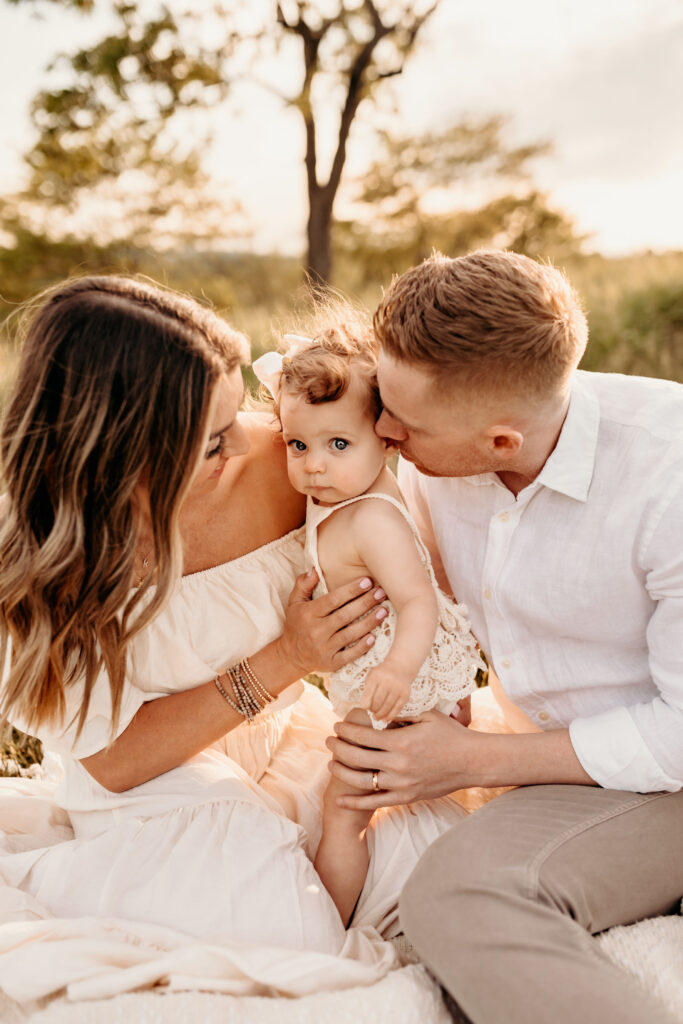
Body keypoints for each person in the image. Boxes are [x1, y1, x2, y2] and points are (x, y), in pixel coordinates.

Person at [0, 274, 472, 1002]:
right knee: (289, 933)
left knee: (444, 855)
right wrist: (287, 658)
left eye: (236, 418)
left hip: (287, 741)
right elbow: (117, 763)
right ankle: (104, 879)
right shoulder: (39, 557)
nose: (249, 442)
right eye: (212, 438)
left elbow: (399, 540)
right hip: (153, 785)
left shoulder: (293, 465)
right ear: (127, 449)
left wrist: (426, 678)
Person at [326, 250, 683, 1024]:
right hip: (572, 766)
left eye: (402, 421)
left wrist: (471, 761)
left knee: (461, 896)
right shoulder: (431, 449)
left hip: (666, 772)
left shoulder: (669, 481)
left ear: (499, 444)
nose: (380, 431)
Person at [252, 312, 482, 925]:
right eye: (298, 445)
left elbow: (418, 599)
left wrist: (402, 672)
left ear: (386, 437)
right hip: (397, 680)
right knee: (389, 794)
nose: (314, 467)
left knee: (344, 810)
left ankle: (327, 925)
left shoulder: (370, 518)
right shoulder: (354, 490)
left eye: (337, 445)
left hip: (395, 683)